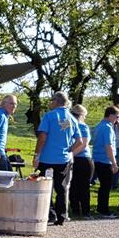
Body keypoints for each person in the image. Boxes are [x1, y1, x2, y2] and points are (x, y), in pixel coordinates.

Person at [34, 91, 84, 226]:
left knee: (44, 186)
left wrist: (36, 154)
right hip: (63, 159)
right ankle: (61, 216)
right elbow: (79, 141)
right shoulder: (72, 118)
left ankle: (48, 214)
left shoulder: (50, 116)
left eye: (52, 100)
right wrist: (69, 150)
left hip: (47, 158)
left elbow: (42, 137)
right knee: (60, 188)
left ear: (56, 101)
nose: (51, 103)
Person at [92, 106, 119, 218]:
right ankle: (104, 210)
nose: (117, 119)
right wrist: (114, 163)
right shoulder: (107, 128)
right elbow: (108, 146)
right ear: (111, 115)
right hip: (105, 160)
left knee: (103, 186)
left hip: (98, 158)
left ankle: (101, 208)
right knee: (106, 186)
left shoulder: (100, 125)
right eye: (117, 116)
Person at [69, 104, 93, 219]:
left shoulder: (68, 125)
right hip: (83, 159)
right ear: (82, 115)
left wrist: (70, 154)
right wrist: (72, 154)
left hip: (72, 159)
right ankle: (86, 211)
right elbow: (84, 144)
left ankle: (75, 210)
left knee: (73, 185)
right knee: (84, 187)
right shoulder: (83, 127)